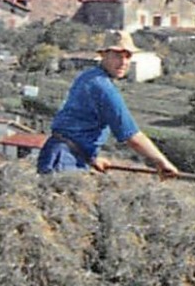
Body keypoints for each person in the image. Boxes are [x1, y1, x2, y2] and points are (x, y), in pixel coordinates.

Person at [37, 29, 181, 178]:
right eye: (117, 56)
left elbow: (77, 124)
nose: (123, 62)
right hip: (63, 160)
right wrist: (163, 163)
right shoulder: (102, 87)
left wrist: (91, 158)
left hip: (65, 154)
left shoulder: (89, 76)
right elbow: (132, 136)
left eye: (127, 56)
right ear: (103, 55)